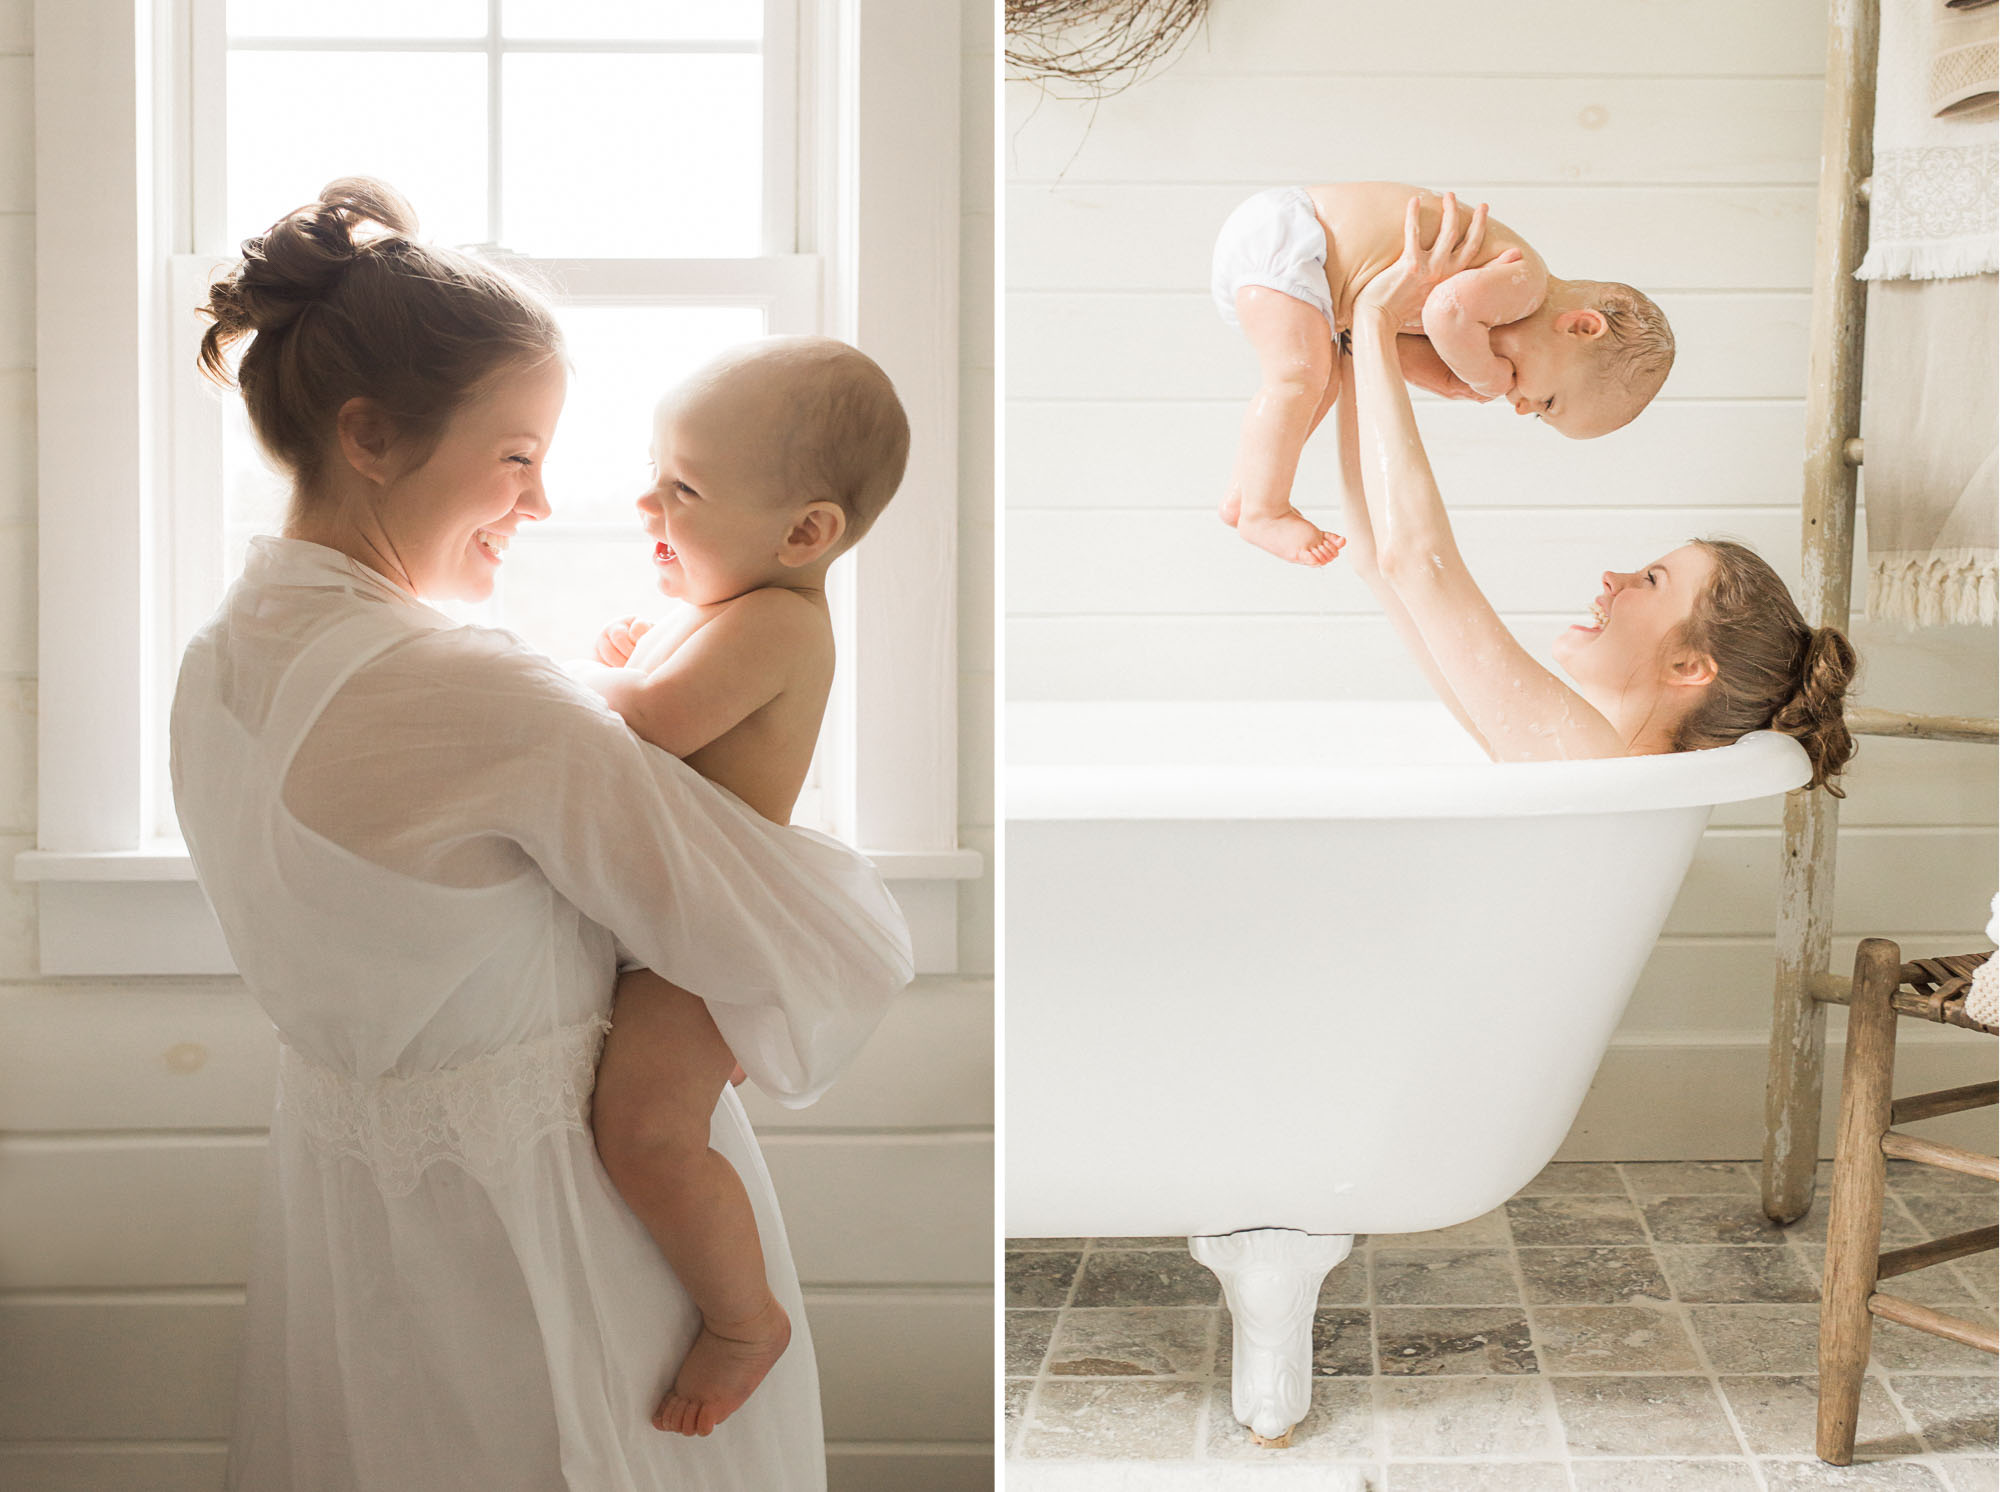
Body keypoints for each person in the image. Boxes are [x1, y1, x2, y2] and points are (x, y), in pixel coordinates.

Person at [171, 178, 912, 1491]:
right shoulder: (475, 693)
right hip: (560, 1247)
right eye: (517, 456)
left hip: (359, 1242)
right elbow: (774, 932)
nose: (544, 501)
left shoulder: (217, 668)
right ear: (371, 436)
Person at [569, 338, 909, 1438]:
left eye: (683, 487)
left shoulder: (774, 621)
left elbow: (655, 723)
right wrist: (642, 647)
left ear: (806, 533)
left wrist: (586, 676)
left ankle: (739, 1317)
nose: (644, 499)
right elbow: (662, 700)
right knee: (640, 1123)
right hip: (676, 915)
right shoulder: (729, 606)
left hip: (707, 937)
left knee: (646, 1132)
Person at [1330, 191, 1855, 789]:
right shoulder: (1578, 758)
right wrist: (1352, 349)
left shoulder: (1587, 758)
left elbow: (1414, 562)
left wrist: (1373, 320)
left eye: (1651, 581)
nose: (1613, 578)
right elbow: (1379, 559)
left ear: (1688, 666)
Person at [1212, 183, 1675, 566]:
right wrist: (1484, 376)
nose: (1519, 405)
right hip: (1296, 239)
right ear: (1581, 327)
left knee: (1320, 384)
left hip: (1307, 276)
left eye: (1537, 415)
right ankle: (1265, 511)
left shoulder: (1494, 307)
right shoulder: (1526, 282)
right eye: (1547, 402)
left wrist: (1444, 377)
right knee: (1299, 378)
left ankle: (1246, 492)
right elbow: (1444, 312)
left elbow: (1391, 335)